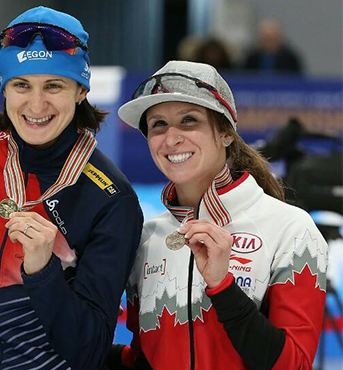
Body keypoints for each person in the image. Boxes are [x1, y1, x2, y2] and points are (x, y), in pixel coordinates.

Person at [0, 6, 143, 370]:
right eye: (22, 85)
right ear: (4, 88)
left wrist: (43, 271)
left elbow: (88, 350)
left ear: (81, 91)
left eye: (54, 85)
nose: (36, 105)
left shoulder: (111, 199)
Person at [110, 60, 327, 369]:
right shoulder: (147, 237)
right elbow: (144, 358)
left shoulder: (291, 229)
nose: (171, 139)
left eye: (189, 120)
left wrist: (223, 286)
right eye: (158, 124)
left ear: (226, 133)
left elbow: (294, 365)